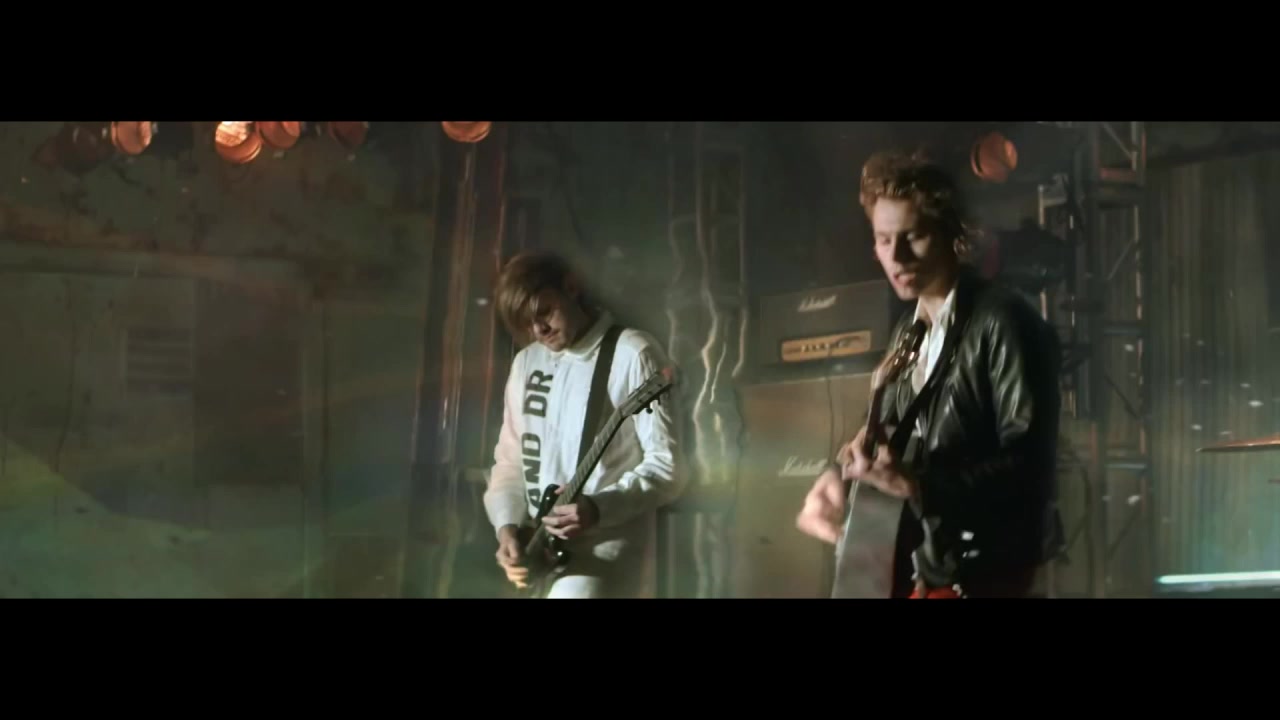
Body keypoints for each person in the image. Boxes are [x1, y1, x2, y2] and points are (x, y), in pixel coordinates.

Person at [796, 150, 1063, 598]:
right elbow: (884, 432)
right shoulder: (909, 330)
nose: (896, 256)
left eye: (913, 236)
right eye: (884, 240)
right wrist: (838, 475)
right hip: (926, 567)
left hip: (983, 570)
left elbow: (1033, 466)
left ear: (951, 235)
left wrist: (919, 485)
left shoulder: (1004, 319)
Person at [483, 250, 685, 598]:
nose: (539, 330)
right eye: (526, 323)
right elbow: (509, 462)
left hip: (605, 547)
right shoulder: (526, 363)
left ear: (571, 287)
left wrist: (597, 509)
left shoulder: (633, 352)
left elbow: (668, 468)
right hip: (539, 549)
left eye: (544, 311)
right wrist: (507, 530)